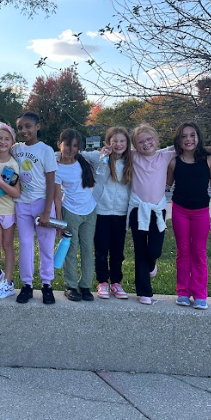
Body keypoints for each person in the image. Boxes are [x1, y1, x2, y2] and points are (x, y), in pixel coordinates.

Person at [167, 122, 211, 310]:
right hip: (179, 210)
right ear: (178, 140)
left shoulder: (209, 159)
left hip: (201, 212)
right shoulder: (174, 161)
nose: (188, 139)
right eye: (184, 136)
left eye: (192, 135)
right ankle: (183, 292)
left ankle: (200, 294)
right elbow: (166, 186)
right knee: (183, 252)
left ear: (198, 137)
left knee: (199, 252)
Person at [128, 124, 177, 305]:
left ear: (157, 140)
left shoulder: (165, 155)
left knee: (154, 249)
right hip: (137, 210)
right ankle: (144, 292)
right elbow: (117, 149)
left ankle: (152, 263)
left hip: (157, 210)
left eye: (149, 139)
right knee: (140, 250)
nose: (146, 144)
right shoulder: (133, 157)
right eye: (141, 142)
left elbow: (185, 146)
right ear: (135, 145)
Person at [13, 111, 58, 304]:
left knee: (46, 246)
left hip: (42, 204)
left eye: (28, 126)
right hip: (22, 204)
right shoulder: (16, 148)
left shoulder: (45, 150)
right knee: (25, 245)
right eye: (20, 127)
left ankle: (47, 284)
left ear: (37, 126)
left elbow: (51, 183)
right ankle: (27, 285)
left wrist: (47, 210)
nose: (24, 130)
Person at [54, 129, 97, 301]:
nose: (71, 149)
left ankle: (85, 285)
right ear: (59, 145)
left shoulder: (84, 161)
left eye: (75, 146)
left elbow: (103, 155)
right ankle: (70, 285)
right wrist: (59, 221)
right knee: (71, 249)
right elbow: (57, 197)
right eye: (67, 145)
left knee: (87, 249)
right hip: (70, 212)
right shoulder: (57, 168)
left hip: (90, 211)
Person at [92, 127, 133, 300]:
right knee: (101, 249)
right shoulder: (100, 158)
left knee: (117, 251)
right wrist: (104, 158)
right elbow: (100, 177)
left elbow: (158, 152)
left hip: (121, 212)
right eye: (114, 141)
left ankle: (116, 282)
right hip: (102, 211)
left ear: (127, 143)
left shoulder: (131, 161)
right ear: (108, 142)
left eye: (122, 141)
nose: (118, 144)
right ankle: (102, 281)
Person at [0, 122, 21, 299]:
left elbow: (16, 192)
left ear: (12, 142)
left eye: (7, 139)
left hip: (8, 212)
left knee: (7, 246)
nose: (3, 141)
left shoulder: (14, 165)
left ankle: (8, 282)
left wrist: (0, 183)